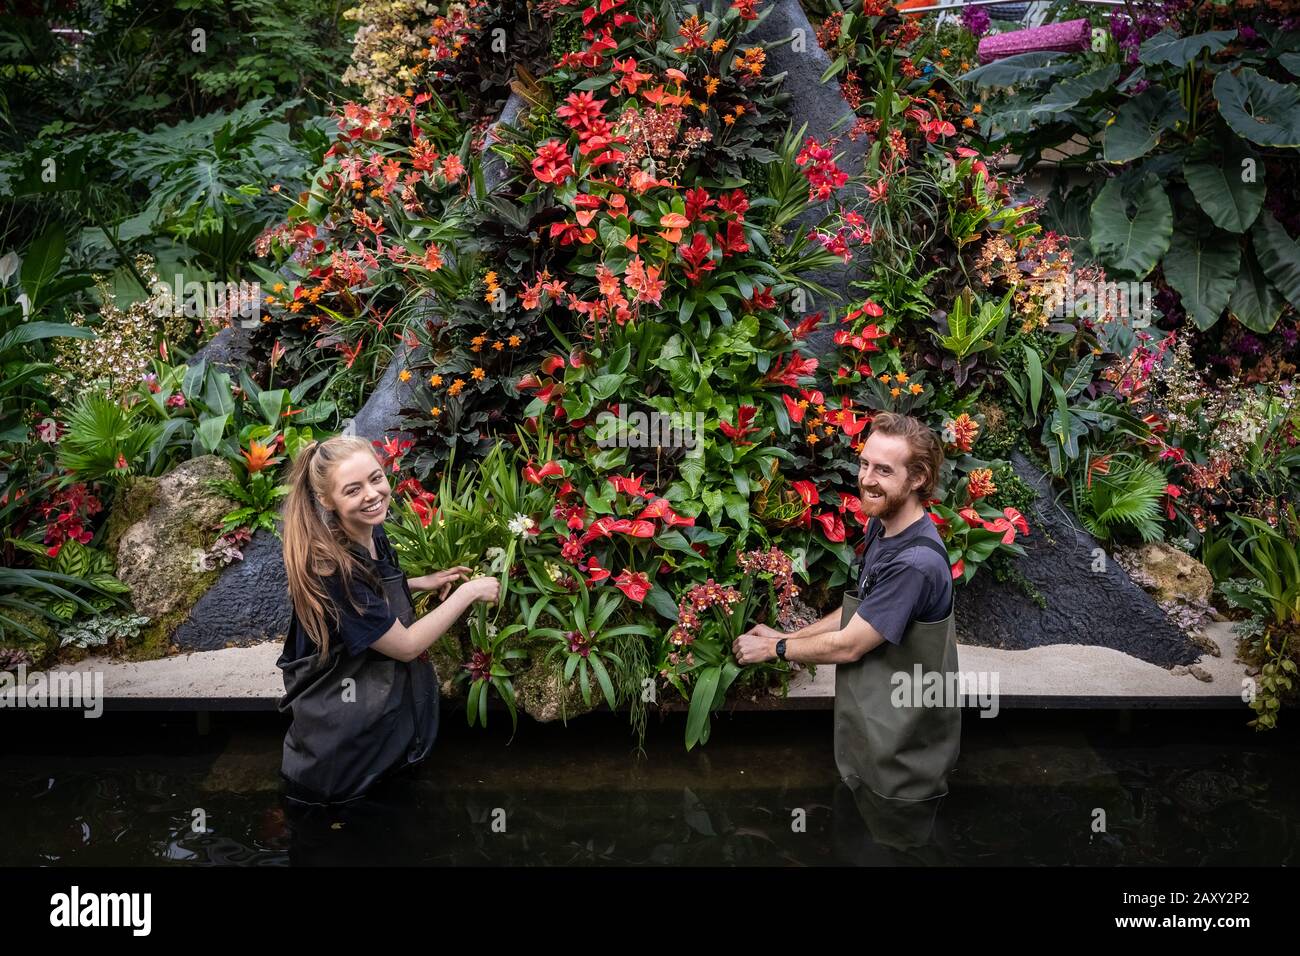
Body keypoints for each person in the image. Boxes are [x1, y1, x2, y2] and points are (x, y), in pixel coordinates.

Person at [734, 412, 961, 802]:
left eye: (884, 470)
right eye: (864, 463)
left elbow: (850, 645)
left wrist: (775, 649)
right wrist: (790, 634)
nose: (867, 479)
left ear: (918, 479)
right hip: (875, 735)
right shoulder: (885, 526)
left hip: (903, 761)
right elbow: (863, 611)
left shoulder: (913, 564)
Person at [277, 434, 499, 805]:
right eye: (353, 490)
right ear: (327, 501)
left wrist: (419, 583)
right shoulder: (333, 568)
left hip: (376, 736)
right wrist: (468, 593)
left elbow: (369, 598)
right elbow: (406, 646)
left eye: (376, 478)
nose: (372, 494)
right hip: (339, 768)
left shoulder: (368, 530)